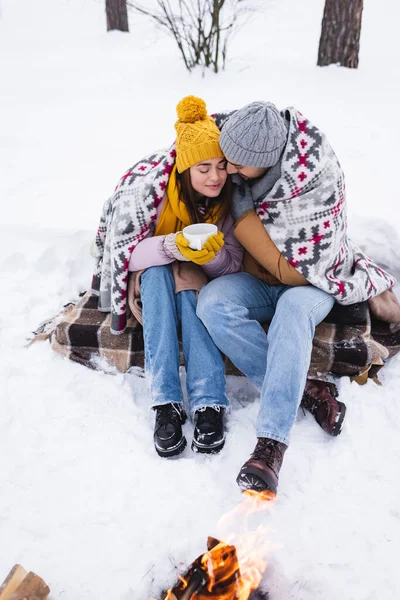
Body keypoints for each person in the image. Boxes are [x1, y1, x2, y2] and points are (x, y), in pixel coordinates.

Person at [197, 101, 399, 495]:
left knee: (292, 309)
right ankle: (307, 390)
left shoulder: (313, 178)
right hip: (258, 277)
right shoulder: (242, 137)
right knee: (213, 303)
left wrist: (244, 218)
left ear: (268, 161)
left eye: (238, 165)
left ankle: (270, 446)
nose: (229, 171)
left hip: (312, 281)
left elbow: (303, 269)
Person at [92, 95, 242, 458]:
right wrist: (174, 246)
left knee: (190, 289)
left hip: (193, 278)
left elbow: (233, 264)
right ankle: (165, 402)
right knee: (158, 277)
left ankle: (208, 401)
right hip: (151, 273)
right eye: (203, 168)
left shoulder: (225, 204)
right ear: (185, 169)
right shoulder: (154, 195)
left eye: (221, 166)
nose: (215, 176)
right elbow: (126, 253)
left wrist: (211, 256)